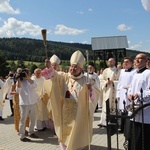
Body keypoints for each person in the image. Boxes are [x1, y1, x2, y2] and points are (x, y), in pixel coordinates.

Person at [44, 50, 99, 150]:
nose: (72, 68)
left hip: (79, 115)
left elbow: (95, 96)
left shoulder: (87, 80)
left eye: (75, 67)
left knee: (77, 138)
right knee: (64, 137)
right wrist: (49, 67)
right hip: (65, 112)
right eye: (72, 66)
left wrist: (90, 90)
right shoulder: (65, 77)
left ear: (81, 68)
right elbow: (54, 76)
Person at [127, 53, 150, 150]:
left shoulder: (148, 73)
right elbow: (130, 87)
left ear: (146, 61)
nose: (136, 60)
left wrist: (139, 95)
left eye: (139, 59)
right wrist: (129, 94)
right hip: (134, 109)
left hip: (145, 110)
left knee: (143, 138)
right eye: (135, 59)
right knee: (134, 137)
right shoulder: (135, 74)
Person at [16, 68, 39, 142]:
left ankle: (31, 132)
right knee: (23, 120)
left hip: (32, 102)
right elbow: (18, 90)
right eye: (25, 73)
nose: (26, 74)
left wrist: (28, 78)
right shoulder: (20, 82)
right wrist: (19, 80)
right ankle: (22, 136)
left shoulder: (31, 80)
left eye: (27, 73)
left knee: (33, 119)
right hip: (24, 104)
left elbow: (35, 85)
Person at [116, 57, 136, 132]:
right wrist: (118, 94)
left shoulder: (134, 71)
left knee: (129, 111)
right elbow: (119, 82)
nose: (125, 63)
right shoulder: (122, 71)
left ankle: (128, 128)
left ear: (131, 63)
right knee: (122, 111)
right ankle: (122, 127)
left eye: (127, 62)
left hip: (129, 93)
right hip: (122, 93)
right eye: (124, 62)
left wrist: (129, 87)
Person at [98, 58, 120, 127]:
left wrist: (113, 82)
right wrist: (106, 82)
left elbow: (120, 82)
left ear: (114, 62)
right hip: (107, 91)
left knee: (115, 106)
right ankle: (104, 122)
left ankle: (116, 122)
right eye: (109, 62)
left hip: (114, 91)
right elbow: (101, 81)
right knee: (106, 105)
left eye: (112, 61)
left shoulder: (118, 71)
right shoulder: (105, 71)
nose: (110, 63)